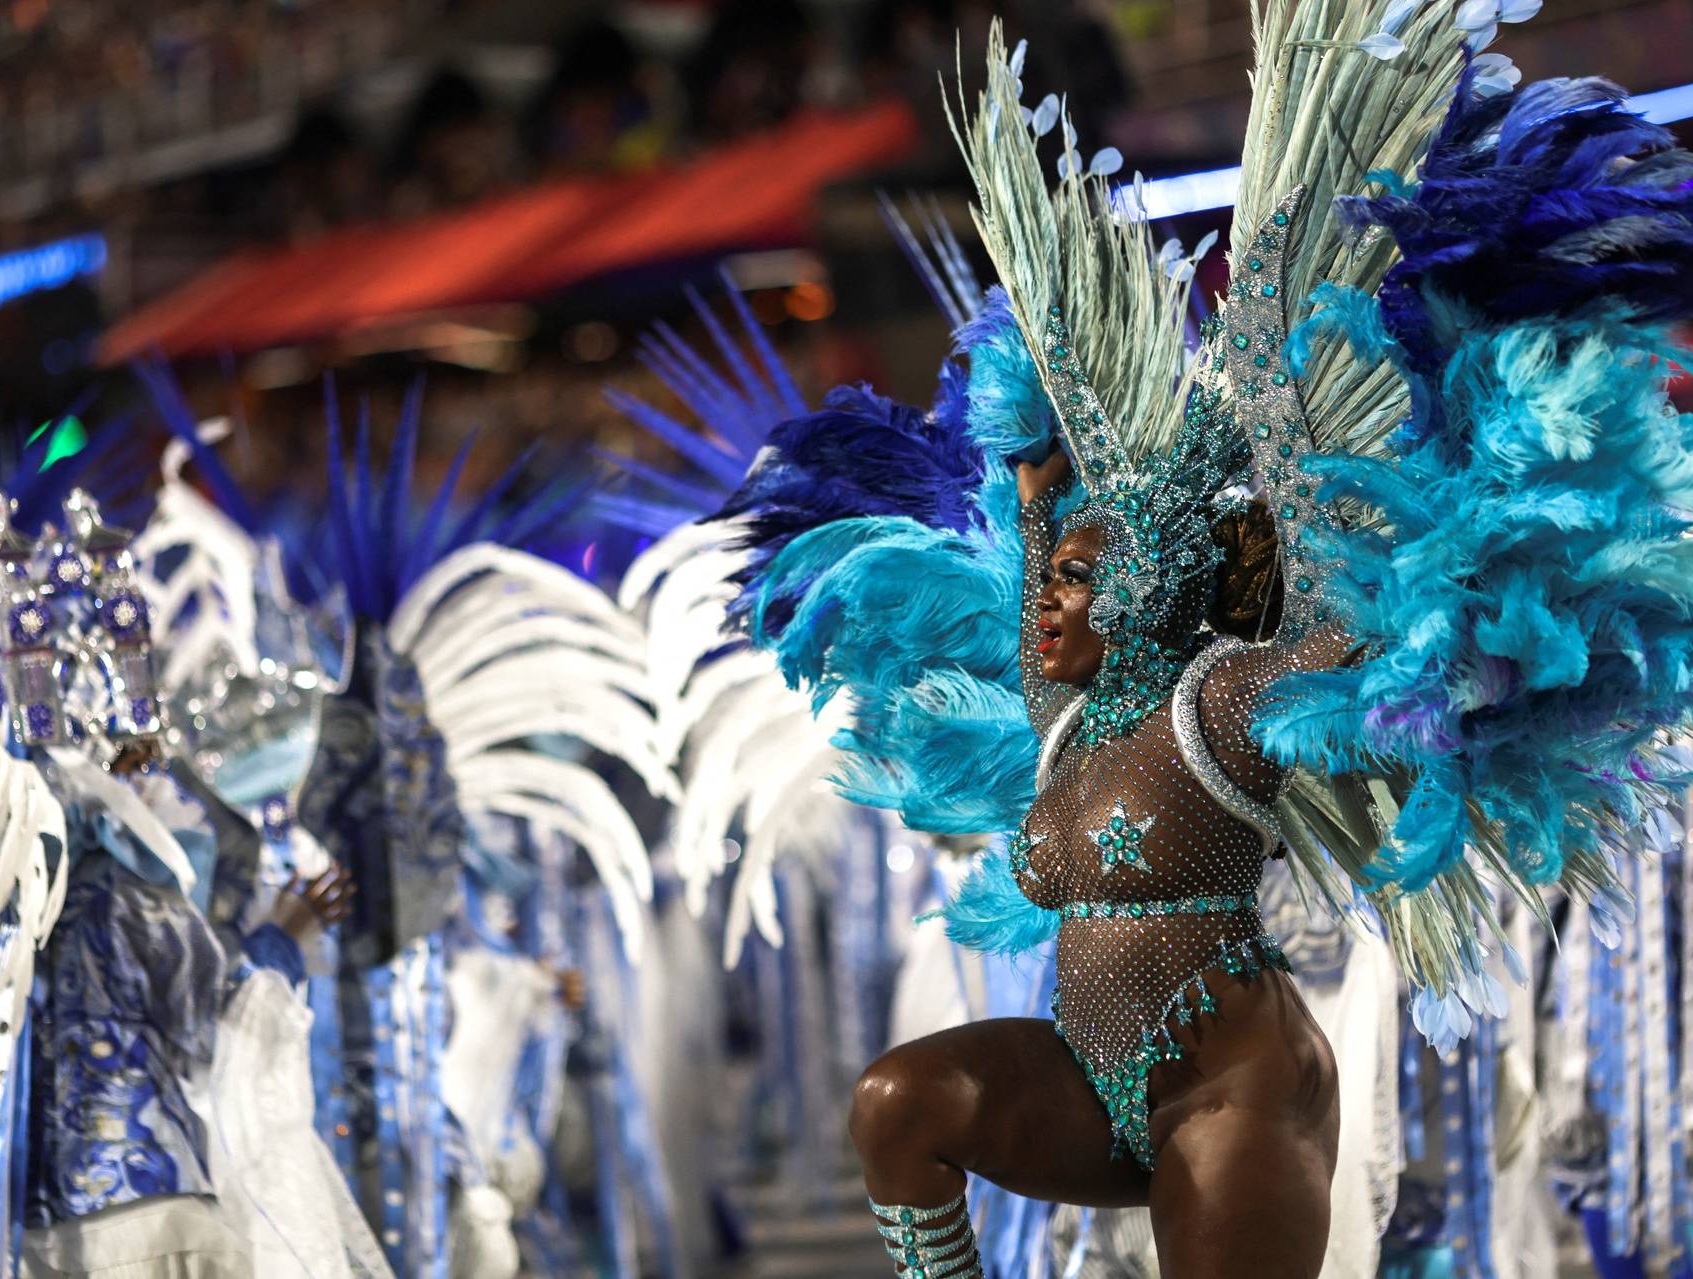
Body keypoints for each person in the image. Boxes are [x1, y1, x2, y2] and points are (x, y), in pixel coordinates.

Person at [712, 2, 1693, 1274]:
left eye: (1072, 579)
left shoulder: (1222, 697)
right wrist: (1033, 461)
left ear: (1161, 585)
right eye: (1047, 582)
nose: (1046, 599)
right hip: (1091, 1077)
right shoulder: (1072, 713)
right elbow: (1038, 543)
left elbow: (1355, 627)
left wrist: (1318, 475)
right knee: (898, 1104)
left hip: (1233, 1090)